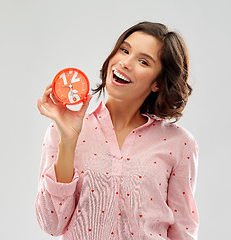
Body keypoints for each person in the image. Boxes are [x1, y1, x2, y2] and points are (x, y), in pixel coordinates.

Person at [35, 21, 199, 239]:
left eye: (143, 61)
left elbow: (183, 231)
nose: (125, 63)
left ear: (157, 83)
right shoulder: (62, 131)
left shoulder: (179, 144)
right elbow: (52, 224)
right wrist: (68, 141)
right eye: (124, 50)